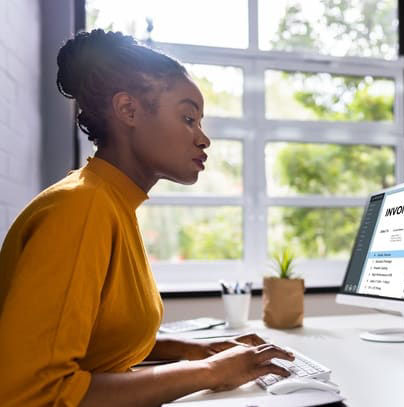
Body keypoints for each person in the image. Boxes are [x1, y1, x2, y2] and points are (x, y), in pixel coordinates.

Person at [0, 29, 293, 406]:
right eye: (188, 117)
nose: (204, 139)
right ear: (129, 111)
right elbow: (31, 392)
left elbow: (100, 338)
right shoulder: (81, 208)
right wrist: (211, 373)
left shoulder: (111, 203)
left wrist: (197, 351)